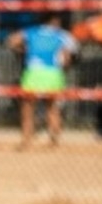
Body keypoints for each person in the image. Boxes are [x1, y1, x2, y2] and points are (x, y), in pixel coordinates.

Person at [7, 13, 78, 147]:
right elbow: (67, 57)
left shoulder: (32, 32)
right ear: (55, 20)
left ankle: (26, 139)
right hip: (53, 73)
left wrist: (23, 50)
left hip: (33, 72)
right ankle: (53, 140)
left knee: (28, 107)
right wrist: (64, 67)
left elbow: (11, 41)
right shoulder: (62, 35)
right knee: (52, 107)